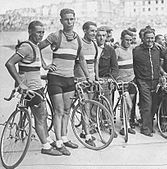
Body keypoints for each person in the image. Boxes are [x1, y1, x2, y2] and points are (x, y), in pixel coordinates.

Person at [5, 20, 62, 156]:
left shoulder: (35, 46)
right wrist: (20, 83)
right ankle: (46, 146)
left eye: (43, 32)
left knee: (43, 114)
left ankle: (47, 138)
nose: (41, 35)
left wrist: (45, 68)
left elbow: (33, 63)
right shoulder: (26, 47)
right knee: (41, 118)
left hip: (36, 86)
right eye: (38, 32)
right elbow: (9, 64)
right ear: (30, 31)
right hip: (30, 89)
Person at [39, 8, 91, 155]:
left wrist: (87, 77)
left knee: (67, 110)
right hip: (55, 78)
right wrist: (44, 64)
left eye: (72, 19)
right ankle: (59, 143)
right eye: (66, 19)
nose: (69, 22)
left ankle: (64, 137)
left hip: (70, 79)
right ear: (61, 20)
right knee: (59, 111)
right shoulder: (55, 36)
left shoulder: (78, 39)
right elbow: (37, 47)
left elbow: (81, 59)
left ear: (75, 20)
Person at [133, 28, 162, 137]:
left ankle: (149, 125)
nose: (150, 40)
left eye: (152, 38)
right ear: (143, 38)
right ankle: (146, 129)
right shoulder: (136, 50)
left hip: (155, 81)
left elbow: (162, 62)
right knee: (147, 104)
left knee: (154, 105)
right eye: (148, 38)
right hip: (143, 81)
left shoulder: (158, 49)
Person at [115, 29, 137, 135]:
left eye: (130, 40)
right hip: (122, 82)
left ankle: (126, 125)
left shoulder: (132, 50)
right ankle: (124, 125)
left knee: (129, 105)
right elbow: (114, 67)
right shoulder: (117, 51)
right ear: (121, 39)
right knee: (127, 104)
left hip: (131, 80)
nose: (128, 42)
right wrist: (116, 80)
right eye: (126, 40)